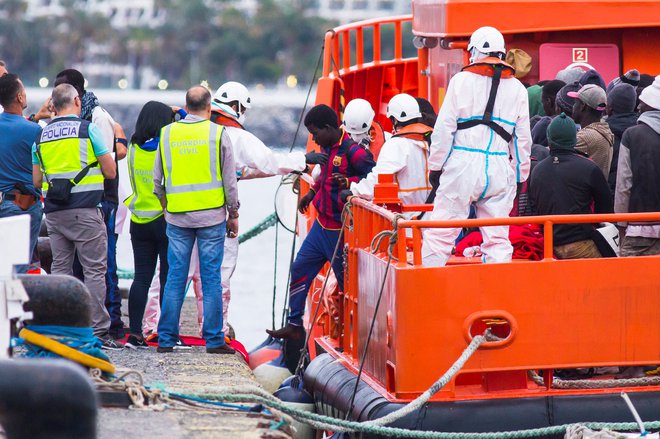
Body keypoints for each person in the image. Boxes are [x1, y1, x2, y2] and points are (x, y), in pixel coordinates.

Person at [210, 80, 328, 338]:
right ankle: (216, 331)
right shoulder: (238, 137)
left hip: (181, 217)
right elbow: (267, 160)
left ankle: (160, 328)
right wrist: (303, 161)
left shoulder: (202, 134)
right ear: (237, 107)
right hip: (219, 216)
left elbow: (240, 171)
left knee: (180, 274)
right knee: (220, 275)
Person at [422, 26, 532, 266]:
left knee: (440, 234)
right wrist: (521, 176)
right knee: (497, 239)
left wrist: (436, 167)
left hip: (462, 165)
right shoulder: (518, 90)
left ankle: (428, 287)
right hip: (500, 167)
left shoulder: (460, 82)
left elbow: (444, 130)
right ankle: (498, 291)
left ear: (474, 51)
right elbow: (523, 140)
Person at [267, 104, 375, 339]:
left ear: (328, 128)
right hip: (320, 228)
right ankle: (295, 324)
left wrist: (349, 181)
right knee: (300, 269)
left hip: (339, 232)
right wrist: (311, 193)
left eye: (316, 133)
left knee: (348, 287)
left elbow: (372, 176)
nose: (314, 140)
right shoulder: (327, 150)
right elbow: (324, 179)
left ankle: (353, 336)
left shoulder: (353, 151)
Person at [31, 84, 119, 348]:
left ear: (52, 106)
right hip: (85, 211)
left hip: (55, 214)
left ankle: (61, 327)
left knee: (60, 269)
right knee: (94, 270)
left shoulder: (41, 136)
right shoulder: (87, 128)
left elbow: (36, 180)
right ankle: (97, 331)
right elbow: (110, 171)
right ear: (77, 101)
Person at [154, 85, 239, 354]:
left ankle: (166, 339)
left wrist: (168, 207)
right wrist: (233, 213)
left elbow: (158, 181)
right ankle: (214, 340)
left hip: (177, 217)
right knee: (211, 278)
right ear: (209, 106)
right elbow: (230, 180)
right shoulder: (217, 133)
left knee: (175, 278)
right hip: (212, 216)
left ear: (186, 105)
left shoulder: (167, 134)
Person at [54, 69, 127, 340]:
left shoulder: (97, 118)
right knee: (82, 269)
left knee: (99, 267)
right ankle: (84, 328)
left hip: (99, 202)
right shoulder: (77, 125)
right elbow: (106, 164)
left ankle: (111, 325)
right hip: (78, 204)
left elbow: (111, 165)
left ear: (76, 95)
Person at [123, 101, 173, 350]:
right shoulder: (164, 148)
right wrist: (180, 113)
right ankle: (165, 334)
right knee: (167, 278)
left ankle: (134, 333)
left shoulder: (133, 147)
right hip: (163, 220)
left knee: (141, 278)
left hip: (138, 220)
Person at [528, 113, 613, 259]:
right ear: (574, 138)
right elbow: (606, 209)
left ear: (550, 138)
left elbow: (535, 206)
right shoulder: (589, 167)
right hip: (583, 243)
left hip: (547, 246)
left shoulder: (537, 170)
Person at [347, 93, 432, 214]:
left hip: (406, 218)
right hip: (430, 217)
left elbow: (377, 180)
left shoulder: (396, 145)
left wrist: (353, 190)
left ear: (395, 119)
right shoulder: (429, 141)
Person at [0, 73, 43, 271]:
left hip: (4, 200)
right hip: (23, 207)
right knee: (17, 271)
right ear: (19, 97)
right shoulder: (33, 131)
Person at [614, 75, 660, 257]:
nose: (639, 106)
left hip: (639, 229)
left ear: (651, 105)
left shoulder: (632, 135)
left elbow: (624, 185)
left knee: (627, 283)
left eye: (643, 102)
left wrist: (621, 224)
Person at [569, 84, 614, 178]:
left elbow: (557, 153)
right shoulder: (603, 130)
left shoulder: (586, 137)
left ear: (583, 106)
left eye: (575, 103)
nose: (573, 107)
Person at [605, 84, 638, 197]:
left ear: (609, 108)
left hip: (611, 198)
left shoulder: (602, 133)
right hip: (640, 200)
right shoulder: (644, 131)